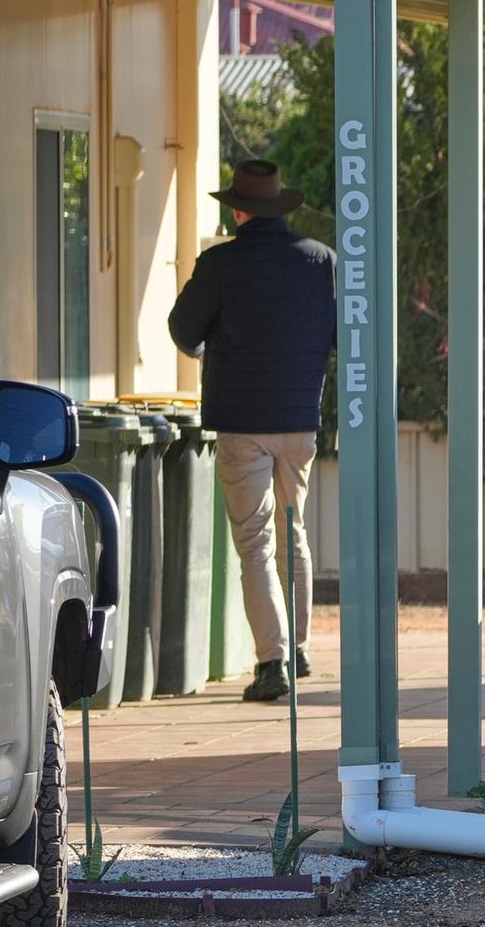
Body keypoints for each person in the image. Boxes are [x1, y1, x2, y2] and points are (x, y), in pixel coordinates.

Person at [168, 160, 336, 704]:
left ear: (238, 209)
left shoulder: (220, 264)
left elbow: (182, 329)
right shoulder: (321, 262)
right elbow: (340, 335)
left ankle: (271, 662)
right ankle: (300, 647)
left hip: (243, 426)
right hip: (300, 422)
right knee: (294, 531)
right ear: (279, 207)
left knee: (255, 542)